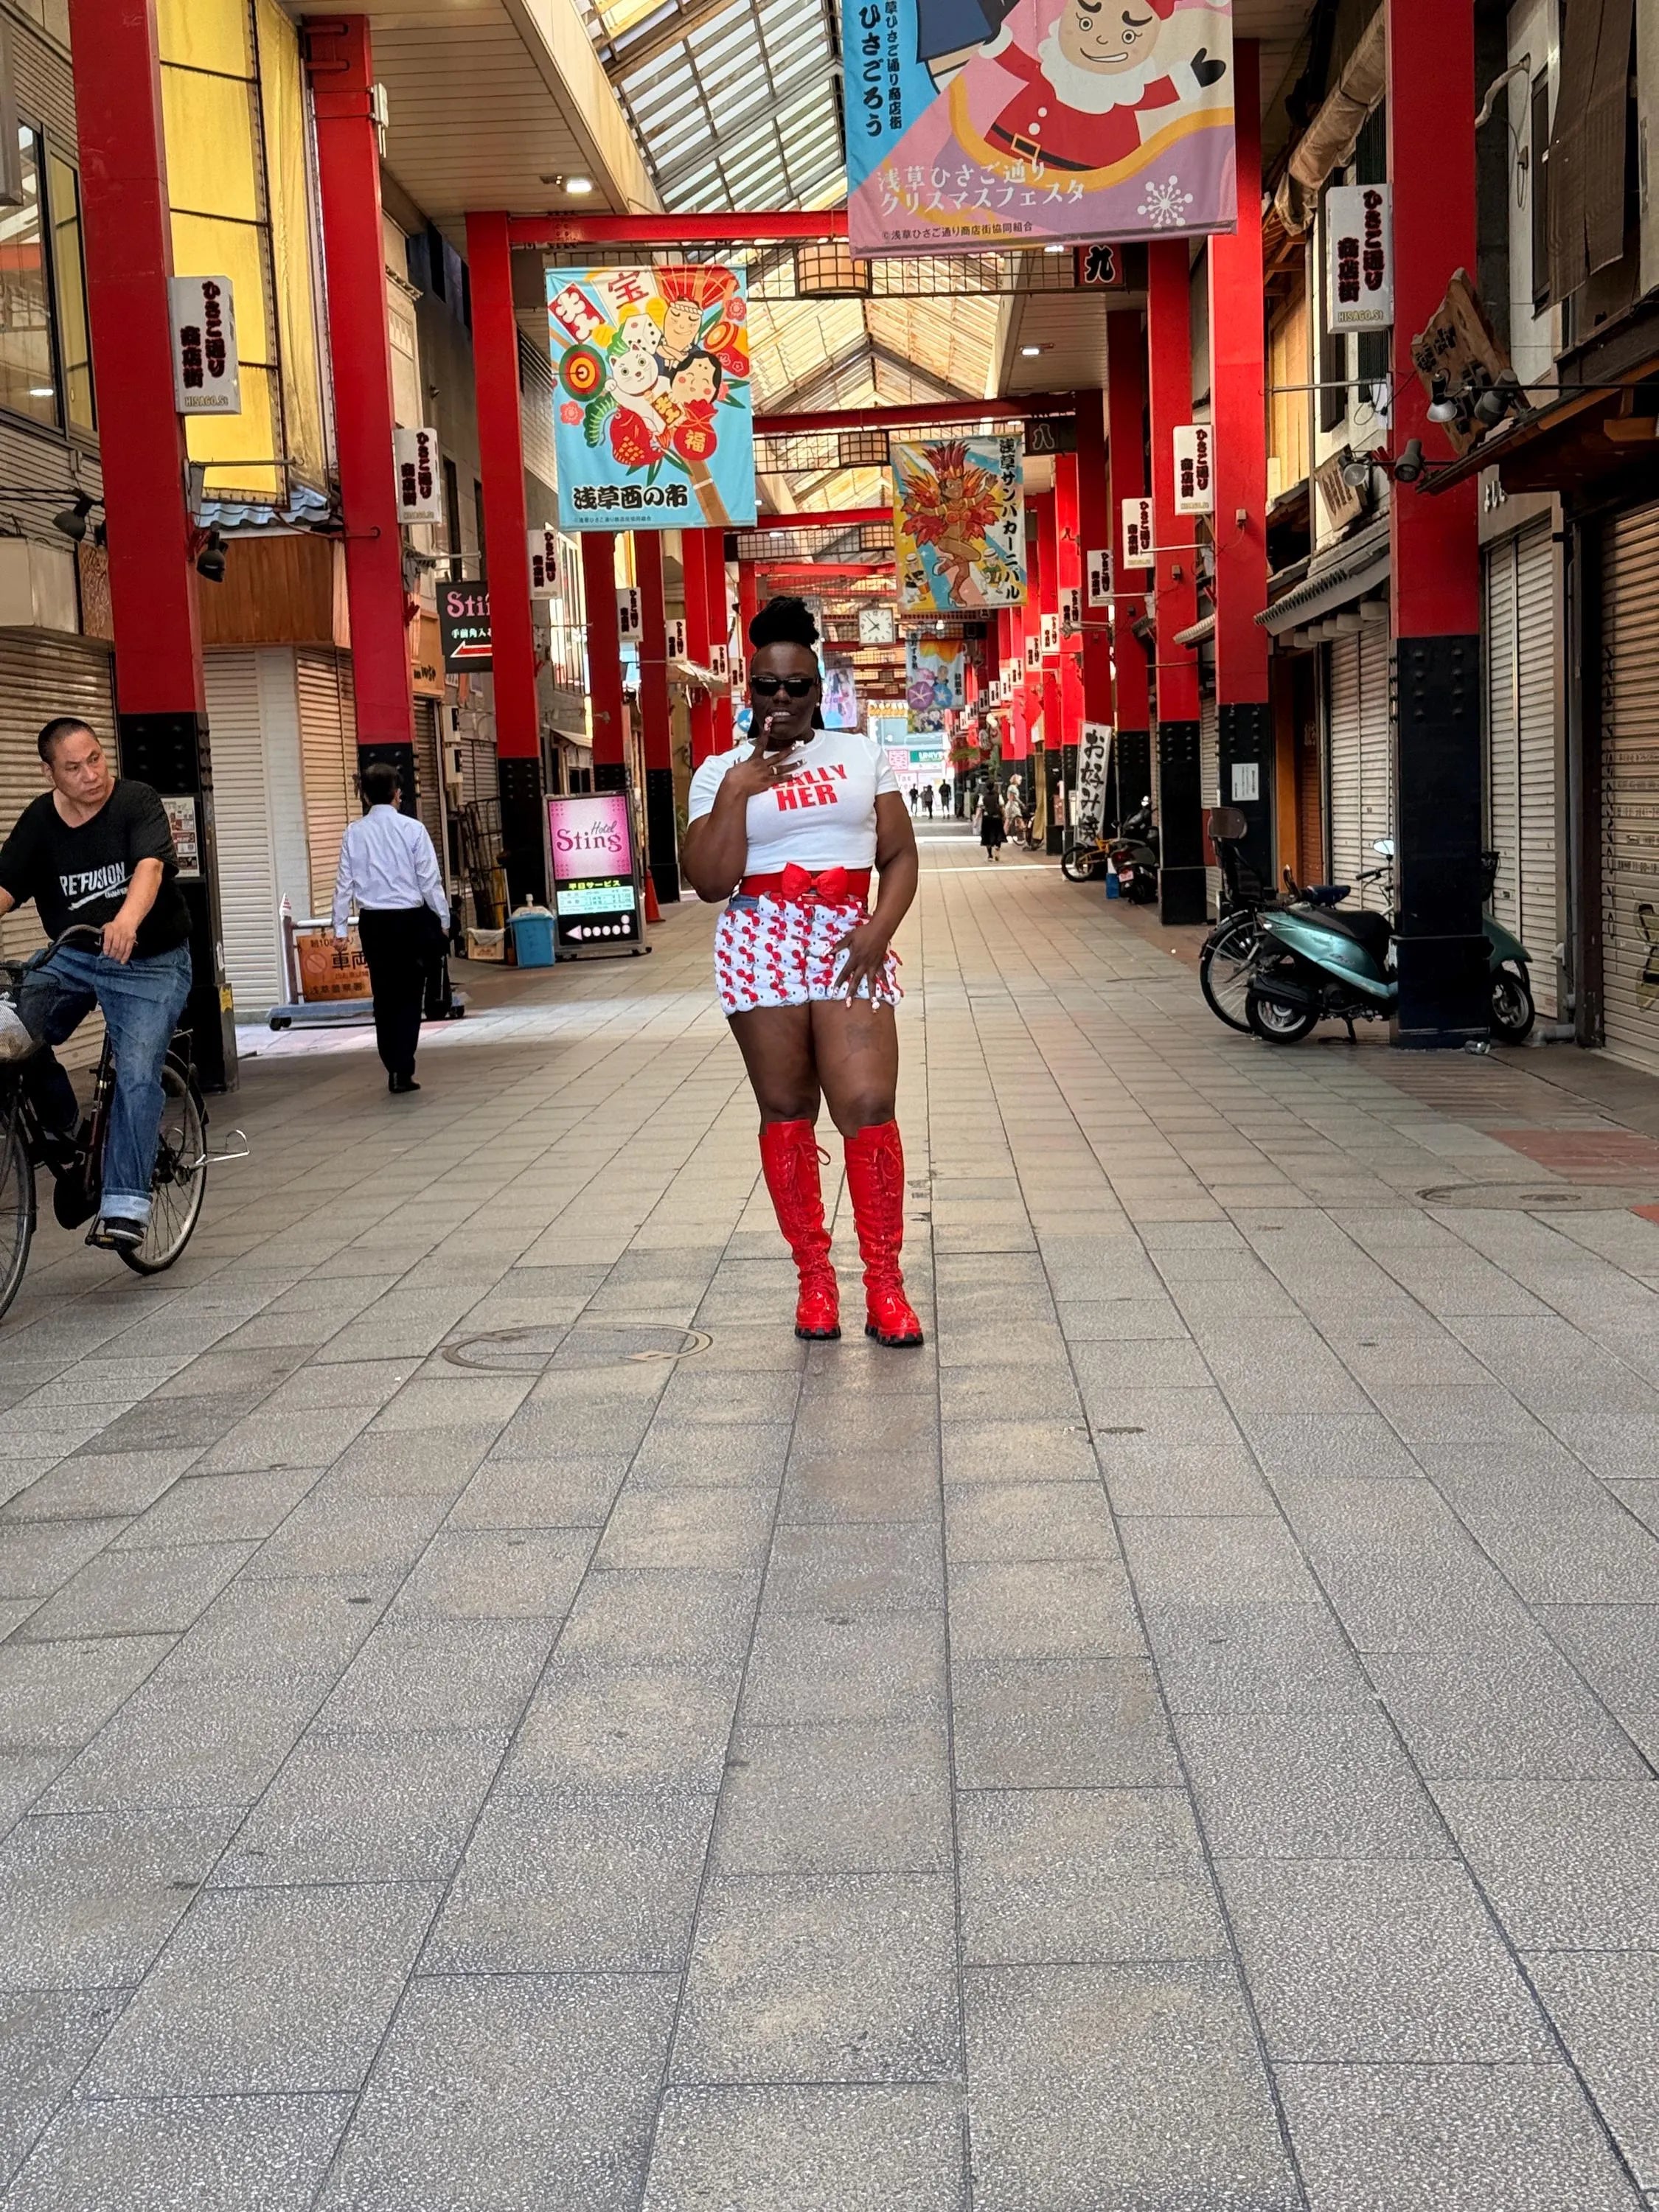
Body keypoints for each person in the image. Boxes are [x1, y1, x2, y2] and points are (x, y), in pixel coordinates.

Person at [681, 595, 924, 1348]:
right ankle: (814, 1280)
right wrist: (734, 793)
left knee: (869, 1101)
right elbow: (710, 881)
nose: (781, 700)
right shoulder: (720, 771)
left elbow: (899, 855)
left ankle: (884, 1284)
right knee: (787, 1108)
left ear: (819, 692)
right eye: (767, 687)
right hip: (760, 939)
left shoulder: (858, 756)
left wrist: (879, 932)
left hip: (848, 937)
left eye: (797, 687)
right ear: (747, 690)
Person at [0, 717, 194, 1251]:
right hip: (75, 957)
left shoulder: (136, 801)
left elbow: (150, 869)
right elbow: (5, 885)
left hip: (151, 962)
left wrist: (128, 921)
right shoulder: (40, 821)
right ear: (48, 773)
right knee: (9, 1026)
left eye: (96, 759)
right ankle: (62, 1119)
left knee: (135, 1075)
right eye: (73, 767)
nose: (90, 775)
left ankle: (127, 1203)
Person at [333, 762, 450, 1095]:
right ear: (397, 794)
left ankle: (392, 1064)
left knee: (384, 994)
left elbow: (344, 885)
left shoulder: (354, 833)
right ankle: (403, 1067)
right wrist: (444, 919)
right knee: (410, 994)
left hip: (375, 924)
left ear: (366, 796)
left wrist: (340, 929)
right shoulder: (413, 830)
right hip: (410, 921)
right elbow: (430, 880)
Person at [979, 779, 1006, 861]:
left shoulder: (983, 796)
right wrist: (1004, 816)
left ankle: (990, 855)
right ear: (994, 786)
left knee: (987, 836)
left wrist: (977, 819)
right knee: (998, 834)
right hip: (996, 817)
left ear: (986, 787)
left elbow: (980, 807)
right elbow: (1002, 806)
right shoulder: (998, 795)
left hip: (987, 818)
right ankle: (997, 848)